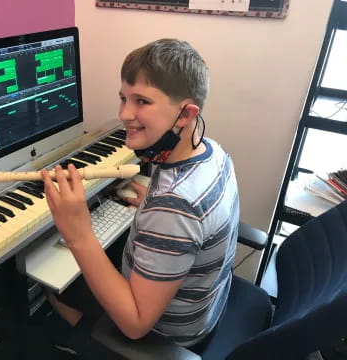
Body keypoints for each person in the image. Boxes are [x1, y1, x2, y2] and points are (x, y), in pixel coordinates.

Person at [40, 38, 240, 356]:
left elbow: (135, 324)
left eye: (142, 102)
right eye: (123, 98)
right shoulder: (211, 151)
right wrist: (152, 203)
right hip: (207, 309)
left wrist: (78, 233)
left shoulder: (176, 207)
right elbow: (190, 215)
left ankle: (72, 341)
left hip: (167, 337)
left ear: (185, 115)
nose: (124, 114)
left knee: (52, 290)